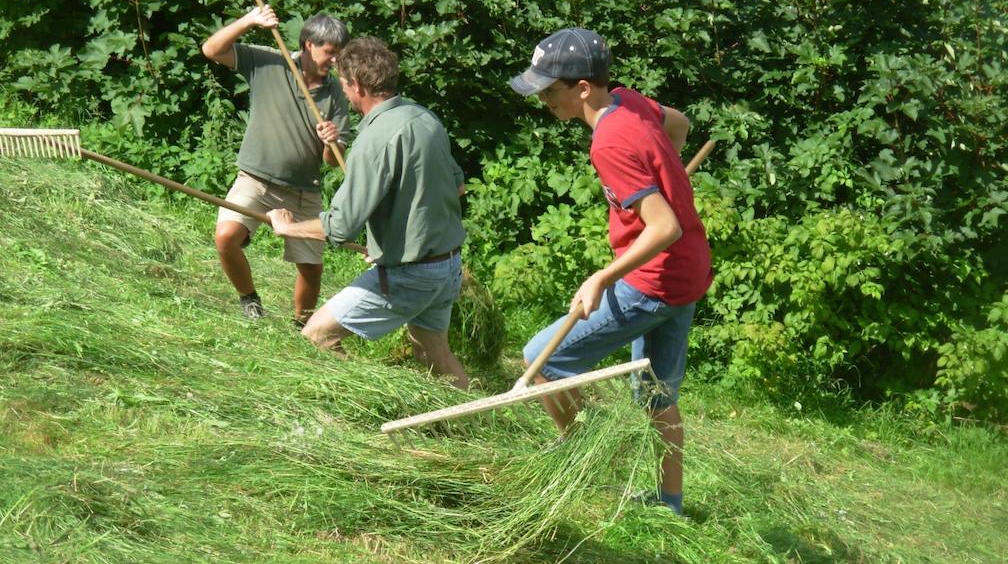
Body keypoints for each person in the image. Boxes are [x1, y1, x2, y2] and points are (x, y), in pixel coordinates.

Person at [509, 27, 712, 517]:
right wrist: (669, 171)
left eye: (549, 90)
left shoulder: (610, 142)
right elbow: (680, 125)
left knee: (544, 360)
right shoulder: (627, 102)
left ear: (583, 88)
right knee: (656, 391)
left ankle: (582, 456)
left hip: (656, 279)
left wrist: (602, 276)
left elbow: (661, 226)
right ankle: (670, 503)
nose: (543, 101)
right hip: (688, 271)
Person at [267, 37, 469, 388]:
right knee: (432, 353)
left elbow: (342, 226)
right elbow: (457, 186)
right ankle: (476, 419)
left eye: (344, 83)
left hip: (412, 275)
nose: (343, 91)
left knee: (316, 336)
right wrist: (393, 241)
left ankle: (358, 404)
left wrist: (289, 228)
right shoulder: (424, 118)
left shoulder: (375, 139)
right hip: (447, 266)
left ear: (357, 85)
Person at [201, 5, 351, 325]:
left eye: (340, 54)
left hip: (302, 191)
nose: (335, 60)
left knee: (310, 270)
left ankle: (302, 329)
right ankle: (249, 298)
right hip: (255, 179)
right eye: (330, 52)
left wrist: (331, 140)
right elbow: (212, 49)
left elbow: (332, 161)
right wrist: (249, 21)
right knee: (226, 238)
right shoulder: (270, 60)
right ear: (309, 44)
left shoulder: (336, 93)